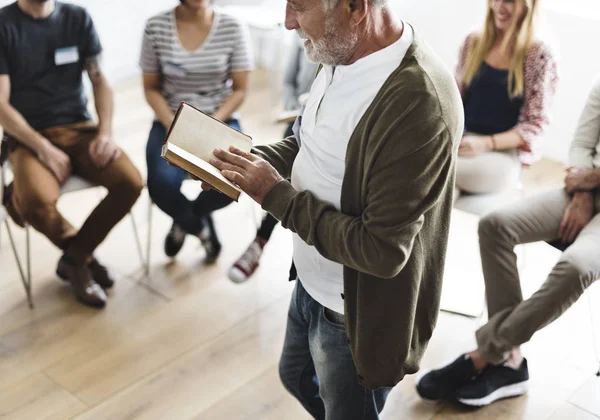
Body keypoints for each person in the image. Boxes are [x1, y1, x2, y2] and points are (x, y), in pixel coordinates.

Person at [206, 0, 463, 417]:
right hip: (310, 281)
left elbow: (381, 251)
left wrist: (272, 194)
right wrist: (240, 166)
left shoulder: (418, 102)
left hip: (354, 315)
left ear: (355, 8)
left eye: (299, 7)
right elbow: (308, 144)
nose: (287, 21)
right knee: (295, 376)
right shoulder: (340, 51)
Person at [416, 75, 600, 407]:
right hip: (586, 189)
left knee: (575, 265)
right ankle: (509, 360)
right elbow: (582, 144)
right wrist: (585, 190)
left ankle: (485, 354)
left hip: (592, 182)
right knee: (496, 225)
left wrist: (593, 177)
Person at [0, 0, 143, 308]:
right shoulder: (4, 24)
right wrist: (43, 148)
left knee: (130, 182)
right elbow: (1, 104)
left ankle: (75, 259)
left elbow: (100, 79)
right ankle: (84, 260)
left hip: (80, 129)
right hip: (28, 139)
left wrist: (105, 133)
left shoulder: (77, 18)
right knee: (36, 202)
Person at [140, 0, 253, 262]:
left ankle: (185, 220)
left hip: (220, 119)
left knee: (229, 185)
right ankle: (201, 228)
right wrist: (174, 122)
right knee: (161, 185)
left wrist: (209, 124)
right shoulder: (155, 26)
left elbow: (240, 89)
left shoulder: (233, 27)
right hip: (169, 120)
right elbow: (150, 87)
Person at [227, 34, 318, 284]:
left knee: (292, 188)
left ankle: (261, 241)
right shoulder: (302, 40)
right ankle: (261, 242)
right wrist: (295, 107)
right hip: (297, 122)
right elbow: (288, 83)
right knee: (285, 180)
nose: (290, 21)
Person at [454, 0, 558, 198]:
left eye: (509, 1)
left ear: (528, 5)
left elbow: (534, 125)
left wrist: (485, 143)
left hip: (501, 152)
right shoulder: (473, 41)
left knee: (437, 169)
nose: (498, 6)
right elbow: (454, 98)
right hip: (462, 140)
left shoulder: (539, 54)